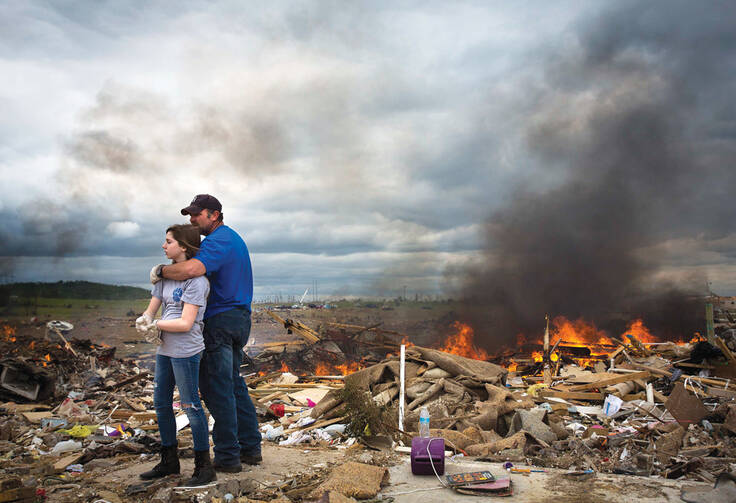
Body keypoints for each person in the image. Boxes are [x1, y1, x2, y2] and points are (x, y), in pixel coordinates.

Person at [149, 194, 260, 473]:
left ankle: (226, 456)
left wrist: (161, 271)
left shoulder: (219, 240)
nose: (192, 219)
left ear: (214, 215)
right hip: (237, 318)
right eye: (189, 214)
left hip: (221, 321)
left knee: (217, 388)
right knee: (233, 384)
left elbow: (193, 269)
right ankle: (250, 448)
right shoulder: (232, 239)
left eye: (197, 214)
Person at [136, 224, 216, 486]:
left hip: (186, 350)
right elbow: (153, 307)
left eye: (168, 241)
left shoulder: (197, 281)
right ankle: (169, 461)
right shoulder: (166, 277)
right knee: (161, 404)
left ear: (183, 246)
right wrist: (145, 317)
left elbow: (185, 323)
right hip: (165, 348)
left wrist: (155, 325)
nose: (163, 246)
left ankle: (204, 468)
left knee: (191, 406)